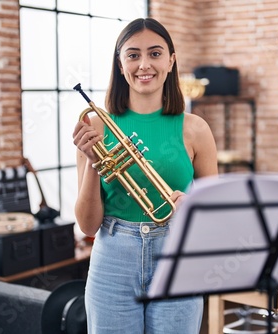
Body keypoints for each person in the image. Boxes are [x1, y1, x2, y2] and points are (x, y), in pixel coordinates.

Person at [72, 17, 218, 333]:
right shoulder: (95, 126)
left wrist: (192, 206)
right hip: (112, 258)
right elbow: (87, 225)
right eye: (133, 55)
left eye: (154, 53)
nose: (144, 65)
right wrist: (93, 164)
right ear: (120, 63)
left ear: (171, 61)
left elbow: (217, 216)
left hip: (177, 256)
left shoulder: (196, 129)